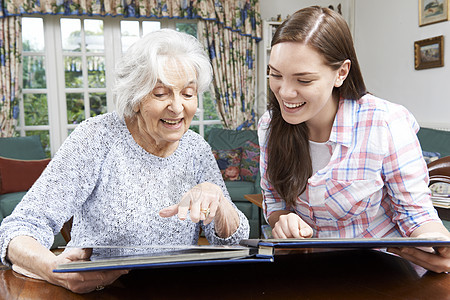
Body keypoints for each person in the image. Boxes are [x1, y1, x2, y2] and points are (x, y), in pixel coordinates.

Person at [0, 29, 249, 293]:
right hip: (101, 291)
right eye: (161, 94)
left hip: (177, 289)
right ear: (136, 96)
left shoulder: (196, 148)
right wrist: (56, 272)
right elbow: (19, 228)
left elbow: (234, 241)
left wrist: (218, 200)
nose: (177, 107)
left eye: (188, 94)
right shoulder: (96, 137)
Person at [258, 6, 450, 273]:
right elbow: (274, 199)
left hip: (383, 273)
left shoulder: (385, 122)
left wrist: (439, 244)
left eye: (303, 79)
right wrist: (283, 219)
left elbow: (416, 214)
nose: (285, 92)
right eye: (275, 74)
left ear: (341, 73)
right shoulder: (270, 125)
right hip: (308, 272)